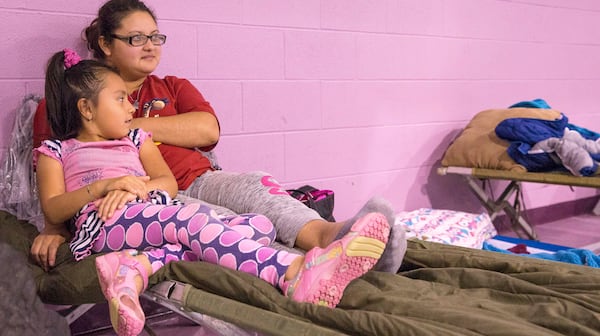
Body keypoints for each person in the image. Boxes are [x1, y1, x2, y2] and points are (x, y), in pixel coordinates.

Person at [31, 0, 406, 274]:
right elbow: (57, 172)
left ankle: (332, 236)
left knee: (258, 188)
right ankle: (304, 270)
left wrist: (135, 127)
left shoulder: (171, 86)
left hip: (195, 180)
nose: (150, 45)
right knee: (221, 223)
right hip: (141, 202)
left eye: (156, 36)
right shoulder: (71, 98)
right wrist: (52, 227)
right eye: (136, 38)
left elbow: (208, 129)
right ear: (105, 45)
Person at [35, 49, 390, 336]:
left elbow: (167, 182)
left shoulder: (136, 140)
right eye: (121, 99)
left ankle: (135, 266)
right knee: (192, 222)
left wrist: (136, 188)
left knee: (259, 225)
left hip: (147, 208)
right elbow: (53, 208)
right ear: (86, 109)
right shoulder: (57, 151)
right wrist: (102, 187)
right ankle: (292, 271)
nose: (131, 108)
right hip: (105, 223)